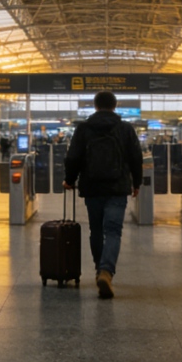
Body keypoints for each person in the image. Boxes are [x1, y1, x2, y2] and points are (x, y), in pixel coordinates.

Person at [62, 91, 143, 299]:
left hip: (92, 186)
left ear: (95, 106)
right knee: (113, 231)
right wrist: (137, 183)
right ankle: (107, 271)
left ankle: (99, 268)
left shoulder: (84, 128)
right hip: (117, 187)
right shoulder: (125, 129)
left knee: (96, 230)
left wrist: (69, 180)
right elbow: (136, 157)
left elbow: (73, 158)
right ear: (115, 106)